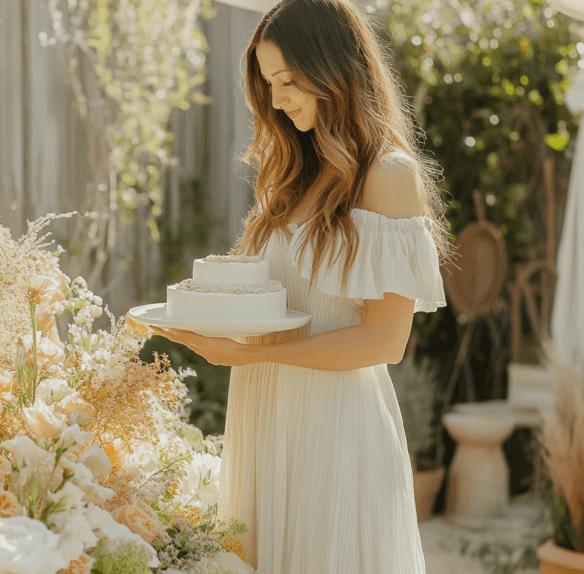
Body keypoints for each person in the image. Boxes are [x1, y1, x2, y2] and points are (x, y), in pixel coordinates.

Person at [150, 0, 455, 572]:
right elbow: (263, 295)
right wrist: (201, 314)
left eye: (287, 81)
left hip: (334, 425)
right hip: (264, 413)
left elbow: (383, 342)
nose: (277, 99)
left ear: (335, 68)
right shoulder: (292, 172)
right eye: (268, 84)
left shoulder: (386, 177)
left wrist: (250, 354)